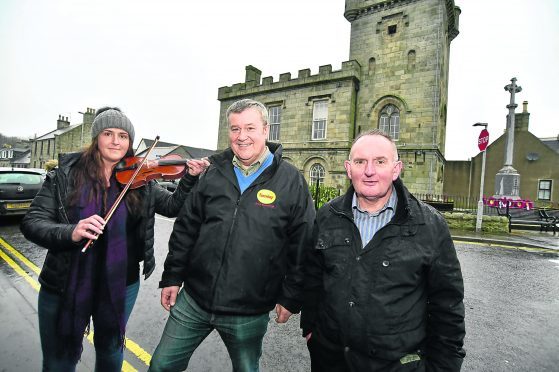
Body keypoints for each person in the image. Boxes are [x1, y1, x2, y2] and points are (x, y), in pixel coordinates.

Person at [20, 107, 209, 372]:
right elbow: (32, 223)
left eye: (123, 135)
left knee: (110, 349)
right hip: (64, 280)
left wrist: (189, 178)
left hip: (121, 281)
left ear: (130, 142)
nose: (115, 141)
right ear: (97, 137)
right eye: (108, 133)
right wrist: (71, 231)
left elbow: (173, 206)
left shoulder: (140, 177)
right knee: (58, 358)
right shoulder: (66, 175)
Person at [148, 99, 315, 372]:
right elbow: (186, 229)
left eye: (250, 128)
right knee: (161, 365)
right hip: (194, 300)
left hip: (249, 310)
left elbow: (302, 243)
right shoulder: (213, 172)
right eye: (235, 129)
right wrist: (172, 277)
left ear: (266, 130)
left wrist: (291, 296)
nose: (242, 136)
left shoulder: (290, 180)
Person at [301, 129, 466, 371]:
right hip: (330, 359)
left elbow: (447, 305)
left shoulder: (429, 225)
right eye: (360, 162)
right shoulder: (328, 214)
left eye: (380, 161)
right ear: (348, 168)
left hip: (396, 365)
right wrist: (311, 328)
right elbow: (313, 277)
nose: (369, 171)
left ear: (396, 169)